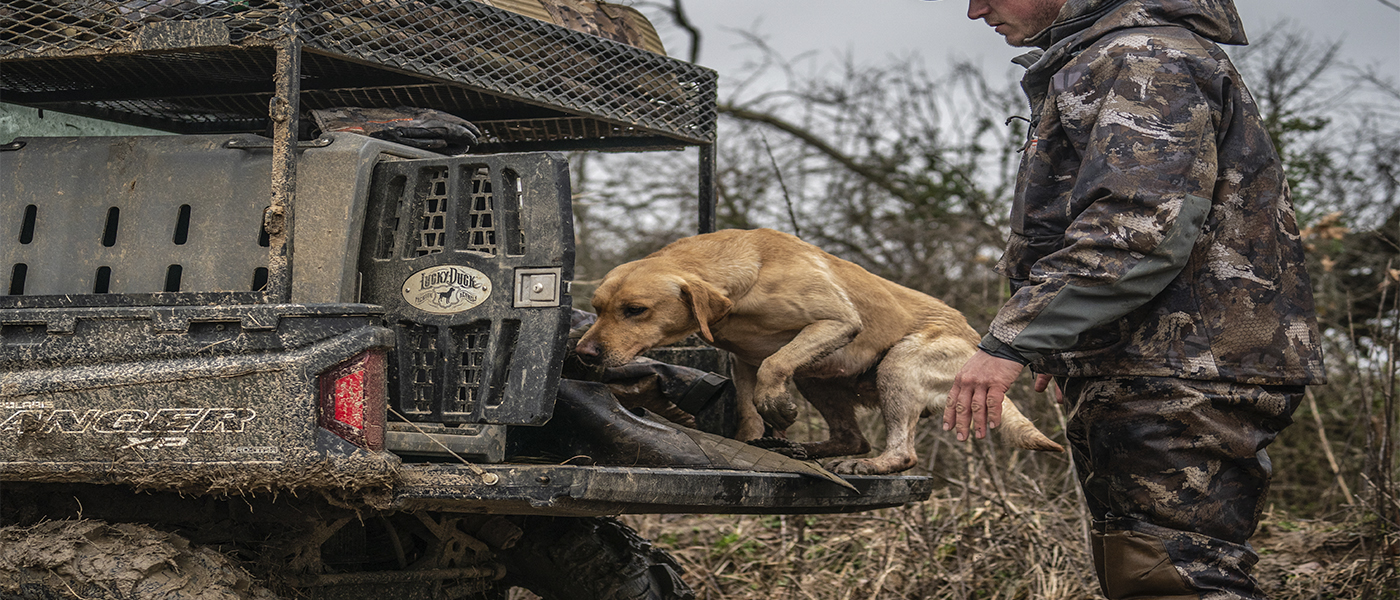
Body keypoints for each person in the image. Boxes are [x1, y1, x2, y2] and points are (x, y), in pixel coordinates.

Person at [939, 0, 1328, 598]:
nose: (975, 10)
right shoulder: (1108, 55)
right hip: (1152, 363)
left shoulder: (1146, 56)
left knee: (1174, 581)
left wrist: (1016, 339)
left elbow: (1141, 227)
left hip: (1181, 365)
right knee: (1148, 572)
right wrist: (1065, 338)